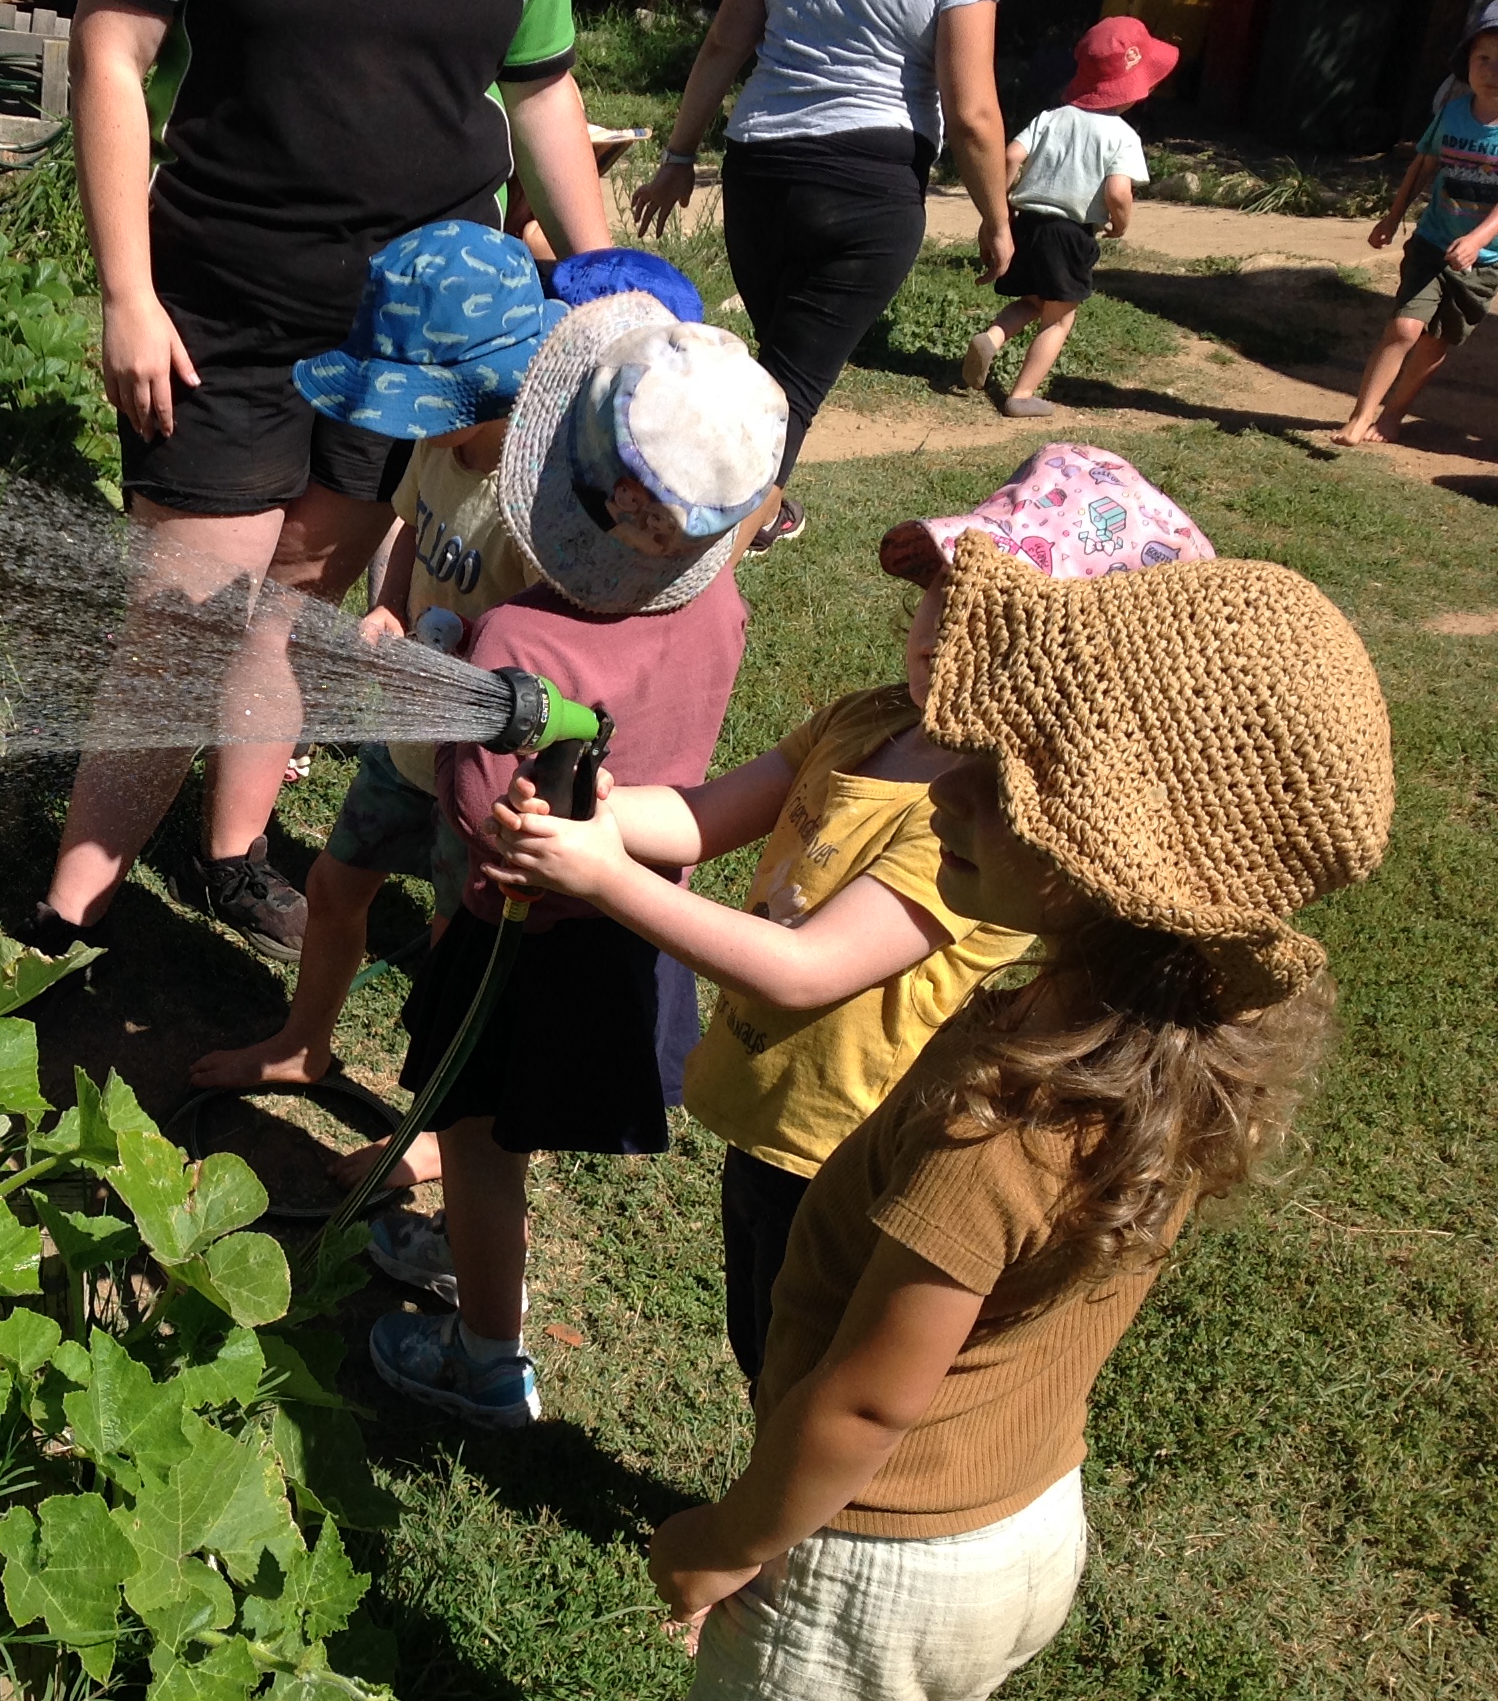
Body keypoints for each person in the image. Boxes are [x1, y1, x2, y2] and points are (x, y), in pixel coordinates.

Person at [645, 540, 1392, 1701]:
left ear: (1110, 877)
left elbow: (869, 1405)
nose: (948, 802)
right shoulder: (1155, 1073)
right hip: (1021, 1522)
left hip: (871, 1545)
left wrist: (731, 1536)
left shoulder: (996, 1126)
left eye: (1001, 791)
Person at [492, 445, 1216, 1387]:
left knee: (811, 1371)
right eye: (940, 596)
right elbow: (705, 817)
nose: (939, 631)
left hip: (855, 1153)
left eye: (987, 625)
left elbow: (805, 968)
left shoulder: (992, 825)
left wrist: (606, 882)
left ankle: (778, 1530)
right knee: (763, 1344)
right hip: (777, 1113)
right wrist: (599, 818)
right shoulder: (870, 720)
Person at [22, 0, 616, 965]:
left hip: (421, 337)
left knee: (292, 609)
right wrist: (126, 292)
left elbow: (542, 91)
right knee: (186, 615)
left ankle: (233, 854)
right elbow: (111, 53)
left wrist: (613, 297)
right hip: (222, 307)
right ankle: (71, 913)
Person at [362, 296, 788, 1429]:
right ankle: (469, 1249)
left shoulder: (517, 641)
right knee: (515, 1124)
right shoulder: (720, 608)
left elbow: (475, 813)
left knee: (483, 1138)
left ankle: (488, 1354)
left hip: (516, 944)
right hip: (626, 928)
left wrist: (443, 683)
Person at [188, 220, 560, 1093]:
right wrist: (392, 604)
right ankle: (301, 1046)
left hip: (484, 771)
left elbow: (554, 647)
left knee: (451, 939)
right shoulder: (437, 447)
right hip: (406, 741)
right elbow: (409, 536)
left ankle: (439, 1120)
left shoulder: (537, 502)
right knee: (335, 880)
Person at [626, 0, 1011, 540]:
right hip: (868, 187)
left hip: (759, 173)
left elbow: (725, 38)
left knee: (770, 380)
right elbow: (971, 110)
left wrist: (679, 153)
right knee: (787, 398)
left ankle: (739, 512)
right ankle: (702, 569)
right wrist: (996, 217)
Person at [960, 19, 1175, 419]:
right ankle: (1021, 395)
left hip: (1027, 223)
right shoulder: (1122, 135)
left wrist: (1001, 207)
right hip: (1070, 234)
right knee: (1059, 319)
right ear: (1131, 88)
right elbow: (1117, 192)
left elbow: (1009, 155)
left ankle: (991, 337)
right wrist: (1121, 224)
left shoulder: (1051, 117)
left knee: (1032, 300)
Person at [1336, 1, 1498, 448]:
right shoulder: (1452, 113)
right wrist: (1392, 217)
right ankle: (1359, 416)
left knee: (1434, 342)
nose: (1492, 70)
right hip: (1432, 240)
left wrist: (1480, 237)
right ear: (1467, 62)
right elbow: (1423, 166)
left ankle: (1392, 416)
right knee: (1405, 327)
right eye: (1484, 58)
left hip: (1483, 259)